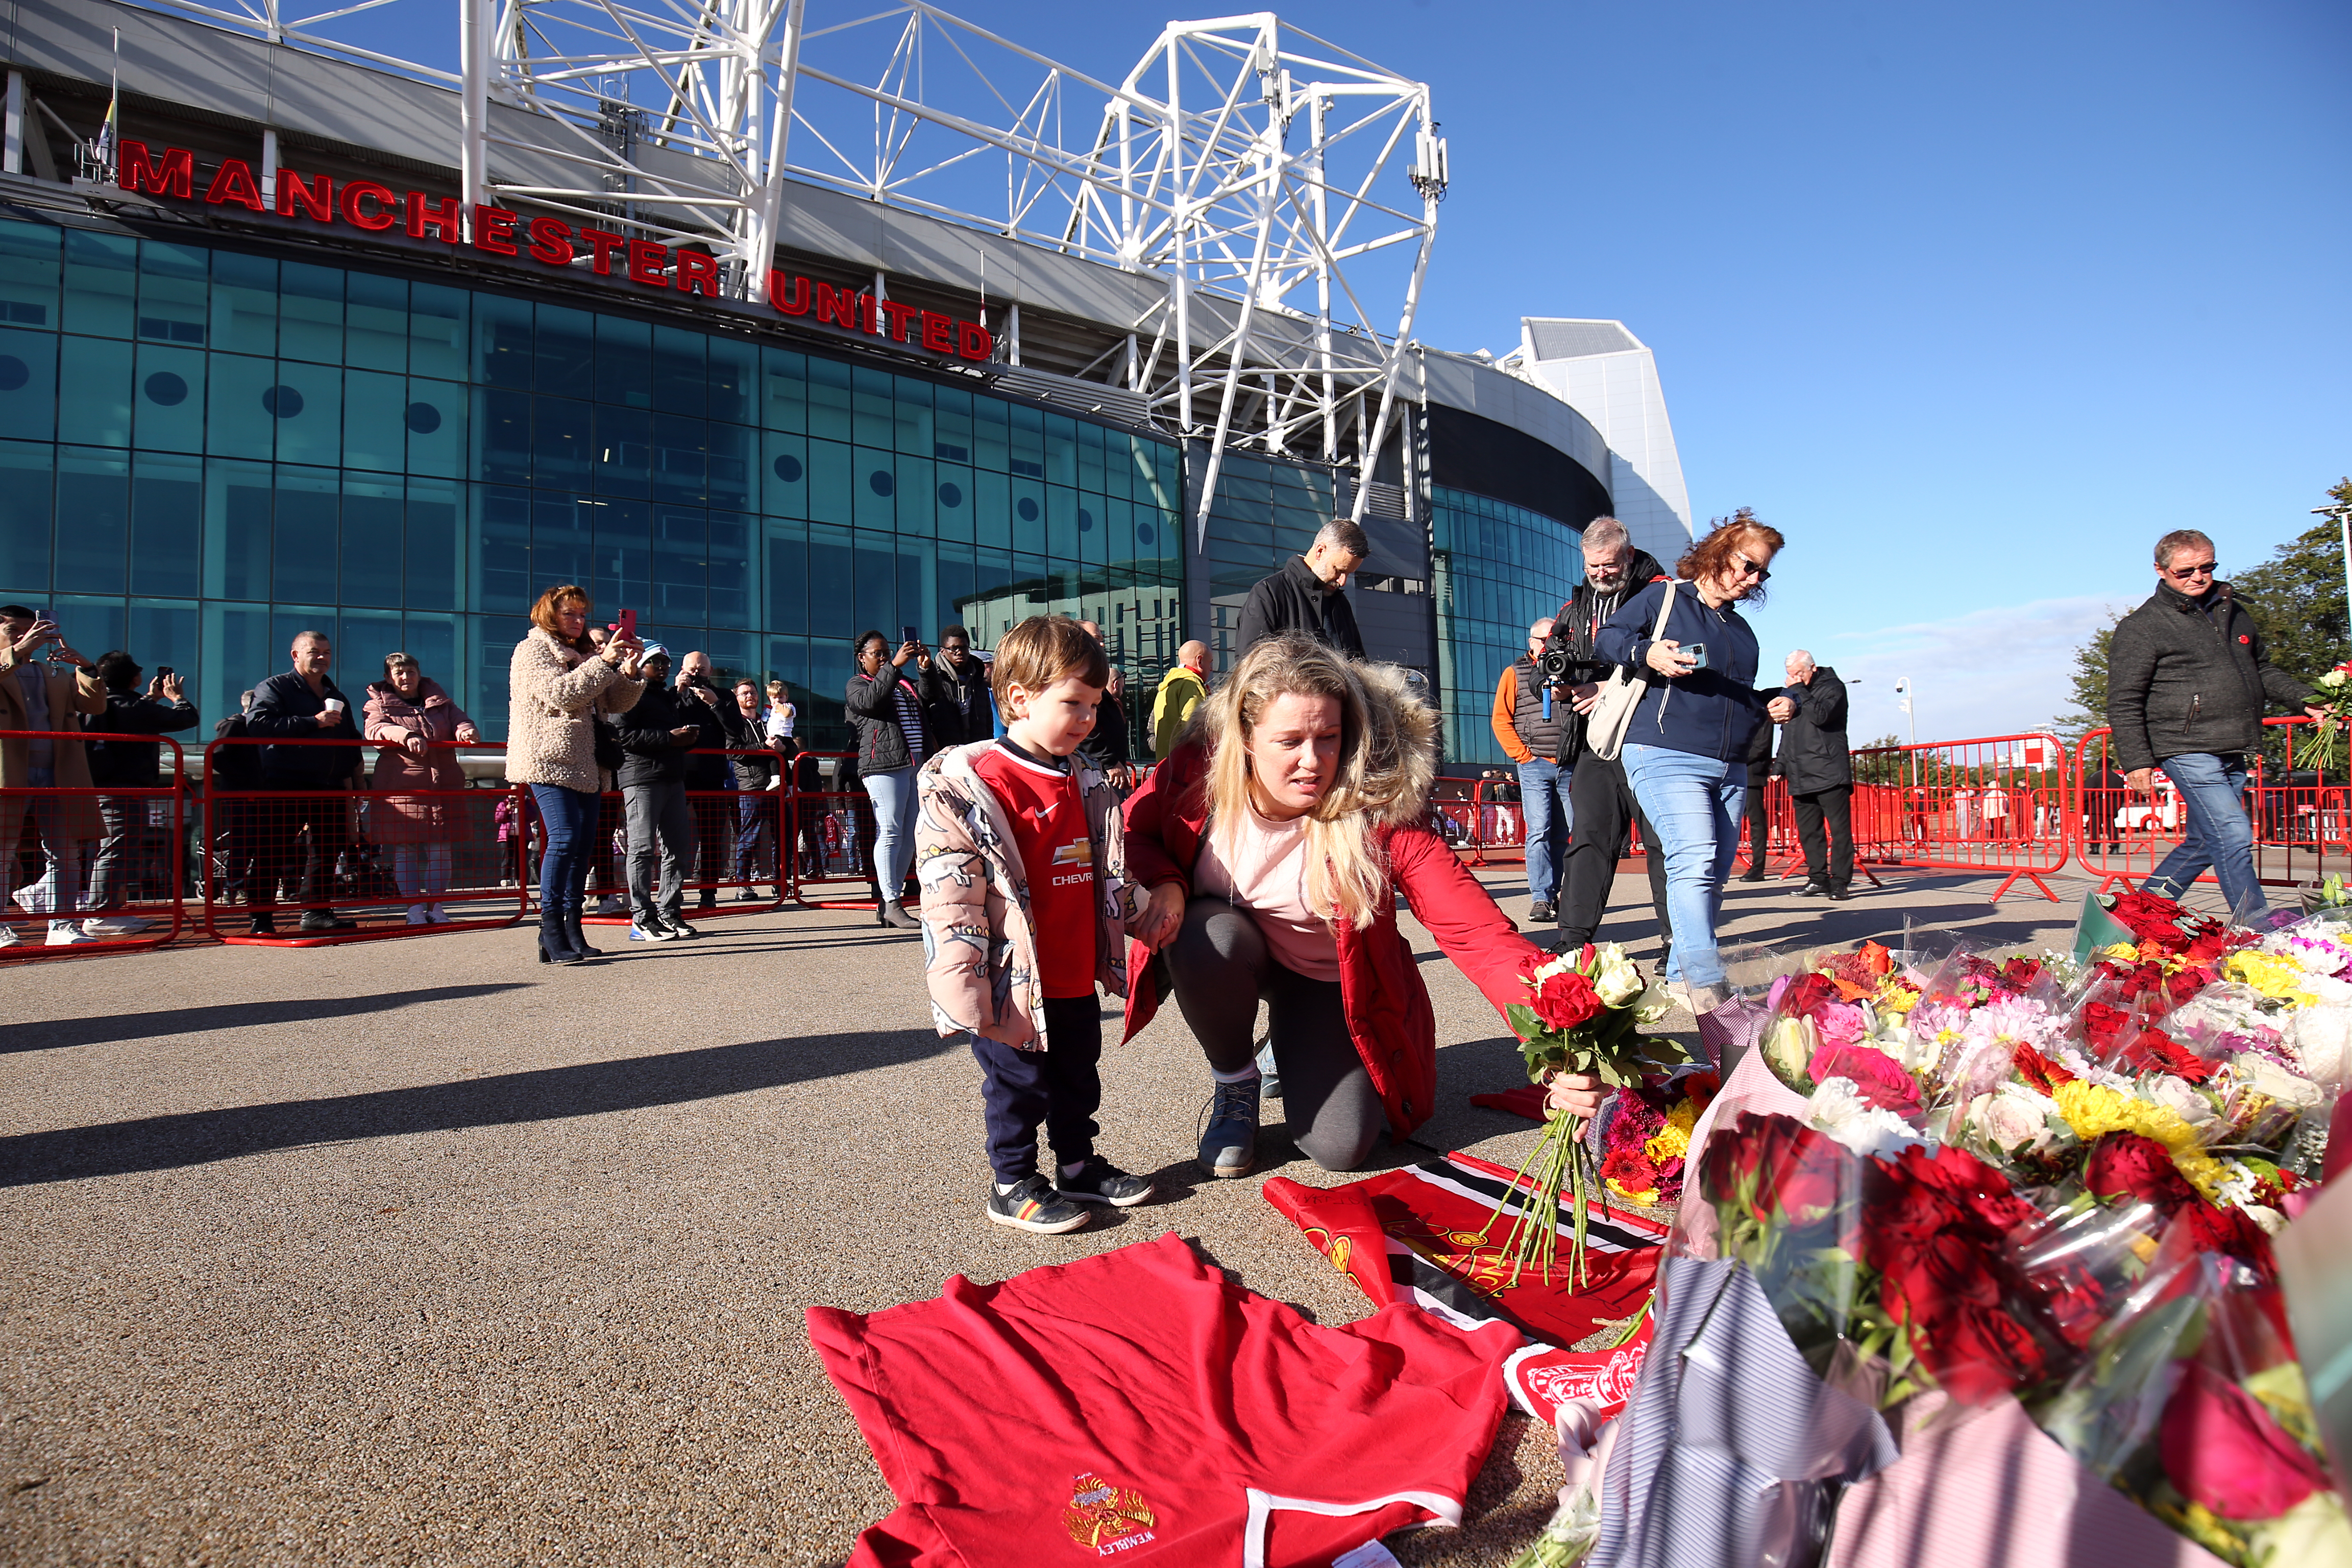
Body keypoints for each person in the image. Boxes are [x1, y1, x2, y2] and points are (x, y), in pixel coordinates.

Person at [1121, 633, 1606, 1177]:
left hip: (1328, 979)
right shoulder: (1196, 773)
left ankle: (1295, 1043)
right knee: (1205, 936)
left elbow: (1476, 933)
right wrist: (1164, 880)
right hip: (1234, 951)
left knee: (1342, 1148)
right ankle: (1236, 1080)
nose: (1313, 761)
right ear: (1245, 739)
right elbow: (1132, 832)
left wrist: (1561, 1039)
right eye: (1290, 741)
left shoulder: (1381, 804)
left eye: (1328, 737)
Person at [915, 615, 1158, 1235]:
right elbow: (952, 897)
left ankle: (1077, 1164)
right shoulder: (972, 784)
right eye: (1073, 703)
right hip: (1012, 976)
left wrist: (1148, 915)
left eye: (1095, 707)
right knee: (1016, 1086)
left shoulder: (1086, 779)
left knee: (1079, 1074)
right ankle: (1013, 1182)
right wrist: (959, 982)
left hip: (1075, 968)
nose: (1087, 720)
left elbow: (1108, 871)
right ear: (1019, 699)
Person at [1595, 511, 1800, 1013]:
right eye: (1748, 565)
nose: (1753, 579)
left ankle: (1682, 973)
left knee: (1714, 873)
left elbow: (1735, 697)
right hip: (1663, 751)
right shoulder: (1665, 598)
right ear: (1722, 550)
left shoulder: (1743, 633)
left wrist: (1776, 700)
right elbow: (1608, 638)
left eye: (1762, 574)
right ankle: (1706, 982)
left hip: (1729, 765)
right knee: (1694, 858)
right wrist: (1648, 653)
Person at [2107, 528, 2323, 921]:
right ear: (2160, 570)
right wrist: (2136, 760)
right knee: (2234, 835)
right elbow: (2124, 699)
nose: (2198, 577)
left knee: (2206, 841)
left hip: (2234, 742)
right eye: (2185, 571)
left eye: (2207, 567)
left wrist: (2309, 699)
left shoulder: (2234, 610)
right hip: (2185, 745)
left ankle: (2132, 915)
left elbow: (2262, 670)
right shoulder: (2142, 627)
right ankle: (2256, 927)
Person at [1548, 518, 1675, 963]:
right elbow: (1544, 667)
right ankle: (1573, 937)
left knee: (1662, 842)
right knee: (1588, 837)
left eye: (1609, 564)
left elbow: (1679, 659)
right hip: (1594, 740)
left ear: (1629, 554)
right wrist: (1558, 685)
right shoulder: (1576, 605)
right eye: (1592, 565)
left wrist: (1610, 688)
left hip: (1650, 734)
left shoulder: (1664, 595)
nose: (1600, 573)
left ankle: (1674, 942)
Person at [507, 584, 645, 965]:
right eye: (570, 613)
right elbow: (561, 694)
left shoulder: (586, 652)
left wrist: (628, 671)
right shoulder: (533, 649)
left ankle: (571, 927)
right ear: (550, 614)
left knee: (582, 846)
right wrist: (603, 663)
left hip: (589, 763)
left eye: (582, 614)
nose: (578, 621)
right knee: (564, 839)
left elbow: (616, 703)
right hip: (548, 757)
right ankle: (551, 927)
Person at [244, 631, 366, 936]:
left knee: (327, 851)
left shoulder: (336, 695)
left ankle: (317, 912)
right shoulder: (275, 687)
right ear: (296, 655)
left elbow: (351, 739)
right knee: (271, 851)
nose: (322, 657)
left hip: (331, 785)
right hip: (287, 783)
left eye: (326, 652)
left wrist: (356, 778)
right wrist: (313, 721)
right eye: (314, 651)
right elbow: (258, 725)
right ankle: (261, 920)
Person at [0, 607, 106, 946]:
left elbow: (94, 706)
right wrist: (17, 652)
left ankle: (62, 926)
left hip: (59, 771)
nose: (24, 636)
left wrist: (87, 669)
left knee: (65, 851)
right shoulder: (8, 664)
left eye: (31, 630)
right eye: (14, 630)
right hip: (8, 771)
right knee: (3, 851)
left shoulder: (54, 671)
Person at [82, 650, 199, 935]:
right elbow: (187, 718)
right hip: (124, 788)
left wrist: (151, 699)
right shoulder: (130, 706)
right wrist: (176, 697)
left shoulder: (105, 703)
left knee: (115, 848)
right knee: (117, 849)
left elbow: (133, 714)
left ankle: (107, 911)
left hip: (107, 786)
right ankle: (100, 915)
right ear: (135, 677)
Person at [610, 644, 721, 942]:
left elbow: (672, 740)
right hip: (641, 779)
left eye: (666, 662)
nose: (662, 666)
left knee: (677, 848)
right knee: (643, 848)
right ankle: (641, 917)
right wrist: (669, 738)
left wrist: (686, 740)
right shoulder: (629, 693)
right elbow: (622, 736)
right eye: (654, 662)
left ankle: (669, 912)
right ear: (640, 664)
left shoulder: (668, 698)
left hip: (673, 777)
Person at [362, 652, 480, 925]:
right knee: (406, 851)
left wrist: (467, 731)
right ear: (388, 678)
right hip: (403, 789)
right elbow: (375, 730)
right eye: (399, 673)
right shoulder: (376, 705)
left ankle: (437, 907)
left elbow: (460, 720)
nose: (406, 677)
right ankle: (414, 909)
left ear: (419, 673)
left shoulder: (441, 702)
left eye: (410, 672)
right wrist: (405, 736)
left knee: (441, 850)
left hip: (444, 786)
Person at [845, 628, 950, 930]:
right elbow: (870, 702)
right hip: (883, 765)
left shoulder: (903, 683)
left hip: (914, 764)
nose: (884, 658)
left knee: (909, 832)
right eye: (877, 654)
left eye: (886, 653)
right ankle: (890, 900)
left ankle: (892, 901)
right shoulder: (857, 684)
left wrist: (926, 669)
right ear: (861, 659)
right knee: (890, 829)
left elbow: (932, 698)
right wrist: (894, 667)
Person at [1488, 616, 1574, 921]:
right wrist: (1523, 756)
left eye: (1554, 639)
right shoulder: (1515, 672)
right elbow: (1501, 718)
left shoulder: (1572, 669)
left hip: (1571, 764)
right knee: (1540, 831)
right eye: (1542, 640)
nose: (1548, 645)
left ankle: (1571, 895)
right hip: (1535, 763)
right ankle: (1542, 898)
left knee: (1573, 832)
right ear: (1531, 642)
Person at [1778, 649, 1854, 899]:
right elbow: (1787, 730)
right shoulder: (1795, 691)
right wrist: (1779, 766)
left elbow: (1820, 716)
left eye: (1799, 673)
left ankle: (1840, 881)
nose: (1795, 679)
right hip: (1800, 773)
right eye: (1791, 675)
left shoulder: (1833, 688)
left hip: (1830, 771)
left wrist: (1799, 690)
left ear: (1812, 668)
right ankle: (1817, 879)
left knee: (1840, 831)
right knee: (1809, 832)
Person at [1234, 519, 1368, 659]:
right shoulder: (1268, 594)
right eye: (1339, 570)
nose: (1343, 581)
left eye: (1348, 574)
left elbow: (1360, 666)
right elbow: (1252, 667)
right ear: (1320, 551)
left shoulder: (1341, 604)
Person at [675, 650, 740, 911]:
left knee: (712, 836)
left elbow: (737, 730)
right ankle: (673, 893)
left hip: (712, 775)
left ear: (710, 672)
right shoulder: (674, 695)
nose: (696, 674)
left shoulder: (723, 696)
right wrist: (678, 691)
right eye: (691, 669)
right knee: (674, 836)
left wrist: (715, 704)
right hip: (679, 775)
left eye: (701, 669)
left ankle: (708, 892)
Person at [729, 678, 780, 898]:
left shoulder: (768, 720)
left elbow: (783, 745)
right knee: (749, 837)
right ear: (737, 698)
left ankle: (781, 882)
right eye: (744, 693)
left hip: (777, 786)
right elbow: (734, 752)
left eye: (753, 692)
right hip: (752, 787)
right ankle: (744, 883)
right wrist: (763, 747)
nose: (750, 696)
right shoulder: (734, 723)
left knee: (782, 837)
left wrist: (783, 746)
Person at [932, 624, 994, 745]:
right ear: (943, 651)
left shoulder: (979, 683)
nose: (959, 652)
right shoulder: (933, 681)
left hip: (976, 752)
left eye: (964, 648)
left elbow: (988, 724)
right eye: (954, 648)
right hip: (945, 754)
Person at [1152, 640, 1210, 760]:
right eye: (1210, 663)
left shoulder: (1166, 687)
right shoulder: (1191, 684)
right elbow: (1193, 728)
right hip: (1185, 764)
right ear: (1200, 661)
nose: (1212, 669)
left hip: (1165, 764)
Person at [1077, 664, 1133, 782]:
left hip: (1106, 770)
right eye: (1122, 688)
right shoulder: (1101, 700)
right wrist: (1110, 762)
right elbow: (1086, 732)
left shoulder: (1107, 702)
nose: (1122, 692)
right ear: (1116, 685)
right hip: (1099, 772)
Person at [1736, 714, 1774, 881]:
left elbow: (1762, 746)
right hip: (1733, 771)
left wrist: (1735, 757)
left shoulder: (1761, 713)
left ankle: (1758, 867)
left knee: (1756, 821)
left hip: (1751, 774)